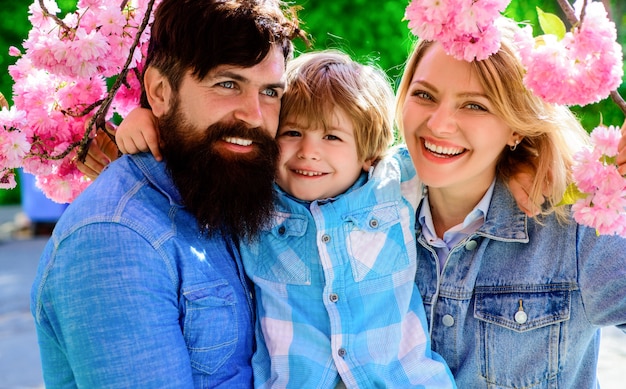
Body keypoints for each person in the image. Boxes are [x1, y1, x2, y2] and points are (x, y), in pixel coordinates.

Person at [114, 49, 456, 388]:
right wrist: (147, 120)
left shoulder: (394, 183)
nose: (308, 151)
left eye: (332, 137)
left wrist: (513, 167)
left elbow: (462, 155)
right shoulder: (252, 197)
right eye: (292, 133)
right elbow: (196, 161)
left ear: (369, 153)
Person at [30, 0, 305, 387]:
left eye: (271, 92)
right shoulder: (116, 238)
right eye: (227, 84)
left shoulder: (225, 188)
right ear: (159, 92)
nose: (255, 115)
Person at [394, 16, 626, 388]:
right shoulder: (364, 202)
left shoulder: (574, 227)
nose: (438, 125)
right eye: (424, 95)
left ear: (516, 127)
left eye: (474, 106)